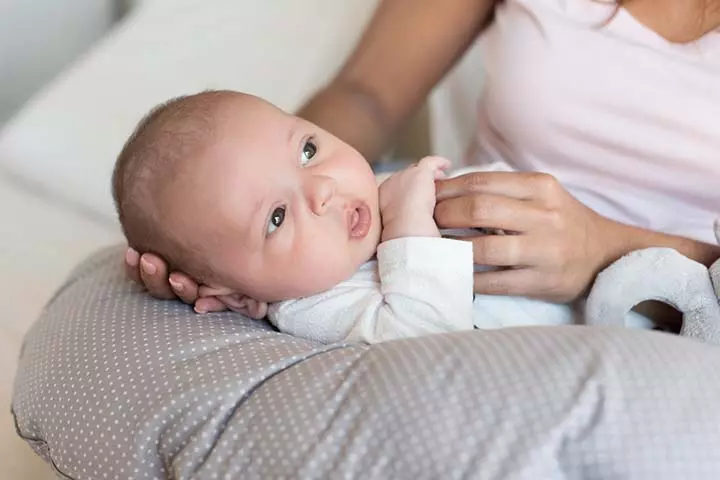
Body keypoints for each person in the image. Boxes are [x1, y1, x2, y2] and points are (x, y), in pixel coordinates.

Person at [124, 0, 720, 317]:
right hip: (428, 258)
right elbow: (368, 95)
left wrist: (608, 251)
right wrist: (231, 225)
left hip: (674, 317)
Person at [116, 90, 632, 344]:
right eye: (275, 218)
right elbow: (429, 342)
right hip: (606, 341)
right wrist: (410, 222)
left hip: (629, 286)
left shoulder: (368, 198)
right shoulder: (317, 303)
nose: (322, 189)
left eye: (308, 150)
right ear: (240, 298)